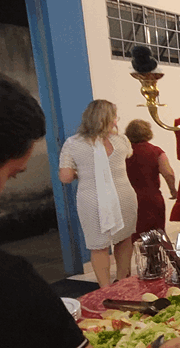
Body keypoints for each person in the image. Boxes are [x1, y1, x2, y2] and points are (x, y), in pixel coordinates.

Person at [0, 73, 180, 348]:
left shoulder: (99, 144)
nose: (1, 193)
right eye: (13, 175)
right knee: (110, 243)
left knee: (115, 242)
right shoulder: (5, 284)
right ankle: (114, 287)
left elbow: (66, 176)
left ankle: (113, 288)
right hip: (106, 196)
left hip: (108, 196)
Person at [59, 100, 138, 288]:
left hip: (92, 199)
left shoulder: (73, 143)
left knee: (98, 246)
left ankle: (105, 288)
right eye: (115, 116)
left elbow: (65, 177)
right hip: (123, 196)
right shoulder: (122, 141)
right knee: (124, 238)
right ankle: (122, 281)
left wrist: (83, 173)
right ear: (109, 119)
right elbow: (129, 155)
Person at [124, 119, 177, 243]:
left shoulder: (124, 153)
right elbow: (168, 174)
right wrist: (173, 190)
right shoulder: (155, 151)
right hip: (152, 199)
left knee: (133, 237)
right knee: (158, 234)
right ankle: (163, 255)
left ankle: (138, 255)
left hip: (129, 199)